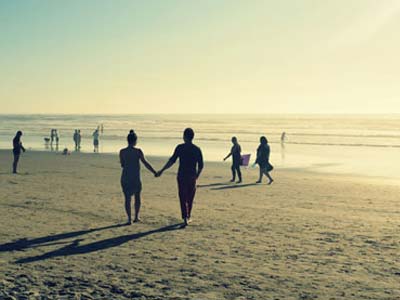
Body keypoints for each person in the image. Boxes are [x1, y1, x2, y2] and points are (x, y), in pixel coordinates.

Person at [156, 128, 204, 227]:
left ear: (184, 137)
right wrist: (197, 176)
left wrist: (162, 170)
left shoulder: (180, 147)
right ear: (192, 137)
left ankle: (185, 217)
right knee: (190, 197)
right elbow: (201, 165)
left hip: (182, 175)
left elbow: (172, 161)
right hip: (191, 175)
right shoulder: (197, 149)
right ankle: (188, 216)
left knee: (182, 196)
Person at [120, 130, 156, 224]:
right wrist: (154, 172)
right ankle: (136, 216)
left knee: (127, 198)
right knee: (137, 197)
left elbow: (123, 164)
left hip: (125, 177)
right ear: (135, 141)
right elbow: (145, 163)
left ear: (127, 140)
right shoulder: (138, 151)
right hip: (135, 177)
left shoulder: (122, 152)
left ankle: (129, 219)